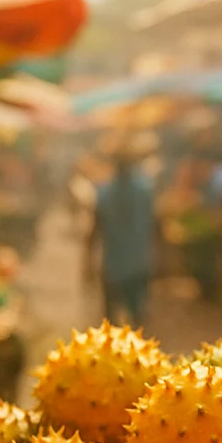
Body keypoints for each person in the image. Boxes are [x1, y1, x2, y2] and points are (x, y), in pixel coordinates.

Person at [89, 133, 159, 326]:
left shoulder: (105, 192)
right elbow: (155, 225)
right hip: (138, 262)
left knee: (110, 320)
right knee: (138, 315)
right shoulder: (145, 189)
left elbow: (94, 229)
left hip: (114, 265)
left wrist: (87, 262)